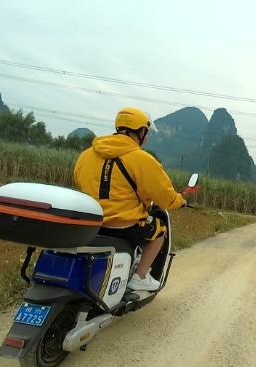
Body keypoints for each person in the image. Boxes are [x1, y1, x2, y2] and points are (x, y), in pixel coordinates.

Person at [74, 107, 186, 291]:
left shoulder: (87, 155)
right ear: (141, 132)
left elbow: (78, 181)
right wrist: (180, 201)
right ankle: (140, 277)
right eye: (146, 132)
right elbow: (165, 197)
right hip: (122, 227)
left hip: (91, 223)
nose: (147, 137)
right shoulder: (142, 159)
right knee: (160, 230)